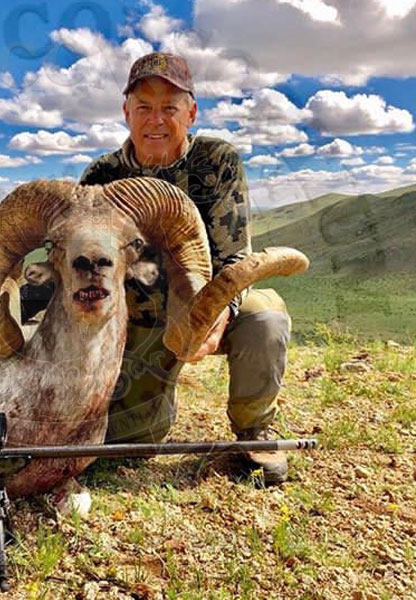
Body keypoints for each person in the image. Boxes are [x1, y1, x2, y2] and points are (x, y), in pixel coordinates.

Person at [23, 52, 292, 486]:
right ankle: (70, 396)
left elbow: (235, 256)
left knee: (265, 315)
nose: (156, 120)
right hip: (135, 315)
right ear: (126, 112)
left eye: (170, 107)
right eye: (144, 107)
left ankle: (255, 430)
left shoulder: (217, 161)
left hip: (203, 303)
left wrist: (219, 313)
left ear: (191, 112)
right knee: (133, 438)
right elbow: (82, 254)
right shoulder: (102, 173)